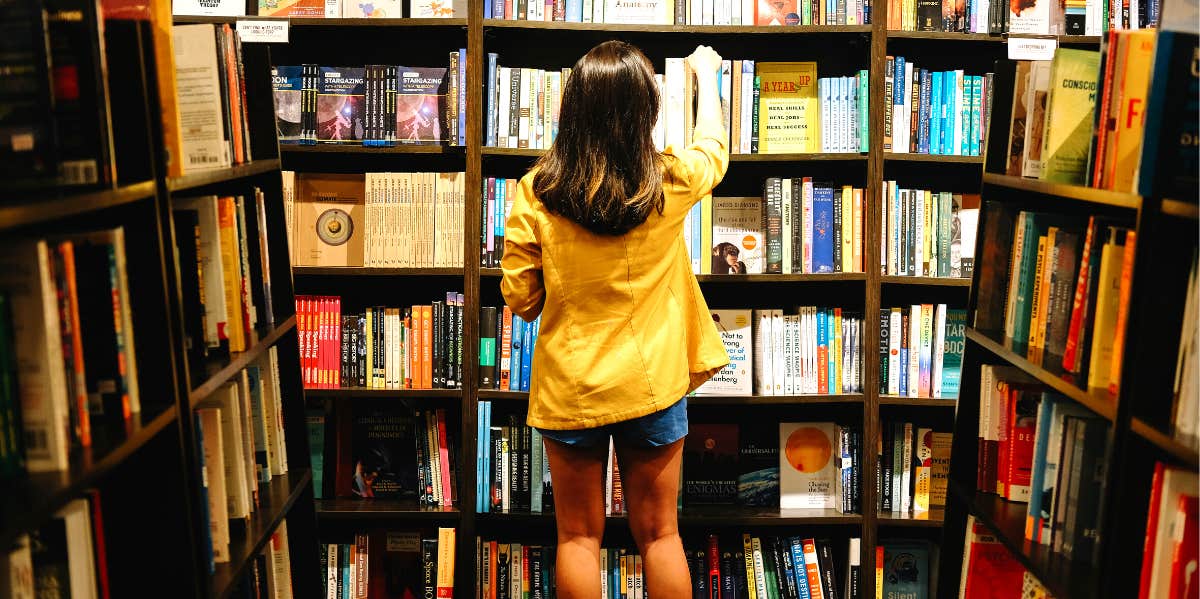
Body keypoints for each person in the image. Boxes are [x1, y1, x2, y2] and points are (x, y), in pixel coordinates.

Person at [501, 40, 729, 599]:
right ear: (644, 111)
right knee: (660, 537)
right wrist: (707, 77)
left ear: (573, 107)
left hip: (571, 387)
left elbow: (522, 297)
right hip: (651, 385)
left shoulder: (537, 191)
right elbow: (715, 150)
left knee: (577, 538)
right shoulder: (667, 184)